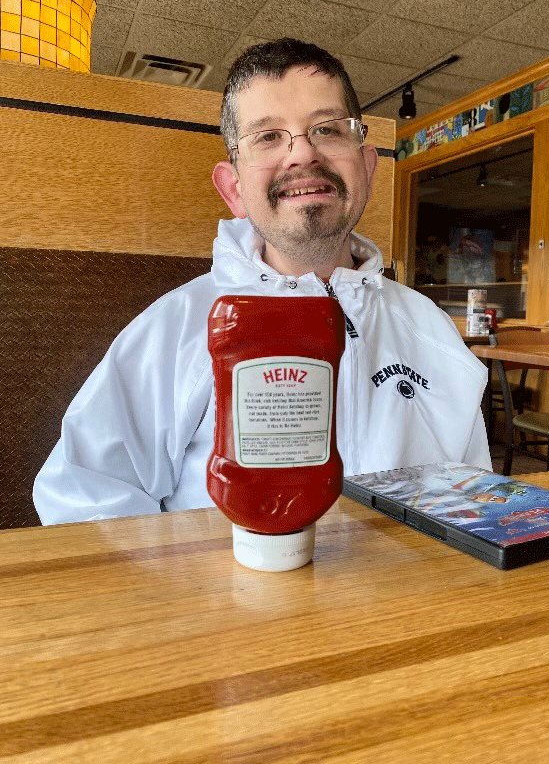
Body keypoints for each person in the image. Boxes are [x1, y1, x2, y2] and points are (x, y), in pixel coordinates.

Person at [33, 38, 491, 525]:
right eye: (268, 137)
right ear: (233, 188)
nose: (303, 155)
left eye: (328, 129)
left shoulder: (432, 330)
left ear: (367, 167)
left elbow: (473, 502)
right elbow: (81, 496)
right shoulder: (175, 328)